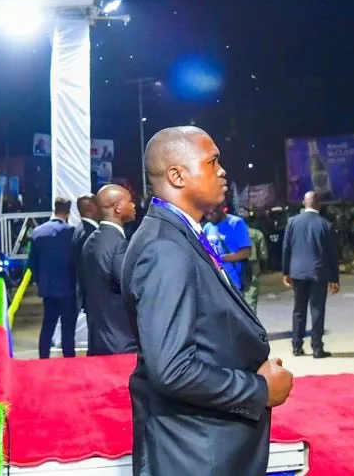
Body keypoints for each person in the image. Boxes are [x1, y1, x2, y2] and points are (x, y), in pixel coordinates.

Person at [123, 126, 292, 476]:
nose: (222, 171)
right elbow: (172, 369)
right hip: (197, 454)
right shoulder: (164, 248)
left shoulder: (180, 234)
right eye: (212, 162)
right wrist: (259, 390)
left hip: (204, 445)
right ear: (177, 175)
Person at [79, 184, 137, 356]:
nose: (134, 205)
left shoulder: (90, 241)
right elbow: (133, 290)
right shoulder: (119, 245)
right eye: (130, 201)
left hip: (98, 341)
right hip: (122, 344)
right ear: (117, 207)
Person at [281, 191, 340, 358]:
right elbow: (332, 254)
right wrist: (334, 278)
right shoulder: (325, 225)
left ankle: (297, 346)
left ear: (304, 203)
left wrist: (286, 271)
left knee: (298, 310)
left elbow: (286, 248)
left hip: (298, 272)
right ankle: (317, 348)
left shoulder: (292, 222)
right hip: (318, 272)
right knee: (317, 310)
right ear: (318, 204)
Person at [28, 197, 79, 358]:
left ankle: (43, 358)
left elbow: (31, 263)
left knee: (47, 326)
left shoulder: (38, 232)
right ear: (68, 212)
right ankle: (68, 360)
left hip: (48, 290)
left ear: (54, 209)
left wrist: (40, 281)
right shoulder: (72, 232)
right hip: (68, 289)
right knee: (68, 329)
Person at [203, 205, 253, 292]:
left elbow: (246, 252)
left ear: (220, 208)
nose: (209, 217)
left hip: (234, 281)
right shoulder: (207, 227)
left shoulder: (236, 223)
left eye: (211, 213)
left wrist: (219, 259)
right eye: (206, 215)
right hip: (216, 282)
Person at [243, 211, 269, 311]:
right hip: (253, 265)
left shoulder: (232, 233)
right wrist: (264, 268)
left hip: (234, 264)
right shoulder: (257, 234)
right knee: (251, 297)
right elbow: (263, 254)